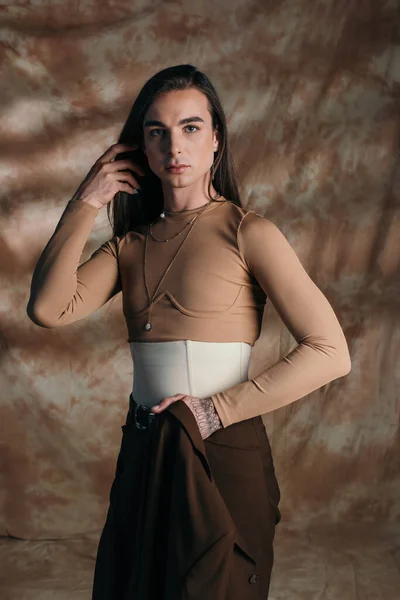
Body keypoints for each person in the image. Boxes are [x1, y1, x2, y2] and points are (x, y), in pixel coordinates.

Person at [26, 64, 351, 598]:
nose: (174, 144)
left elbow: (331, 352)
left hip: (222, 452)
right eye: (157, 131)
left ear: (216, 140)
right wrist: (86, 201)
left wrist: (212, 411)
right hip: (145, 451)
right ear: (142, 149)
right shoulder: (129, 247)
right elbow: (47, 308)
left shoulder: (249, 232)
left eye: (191, 127)